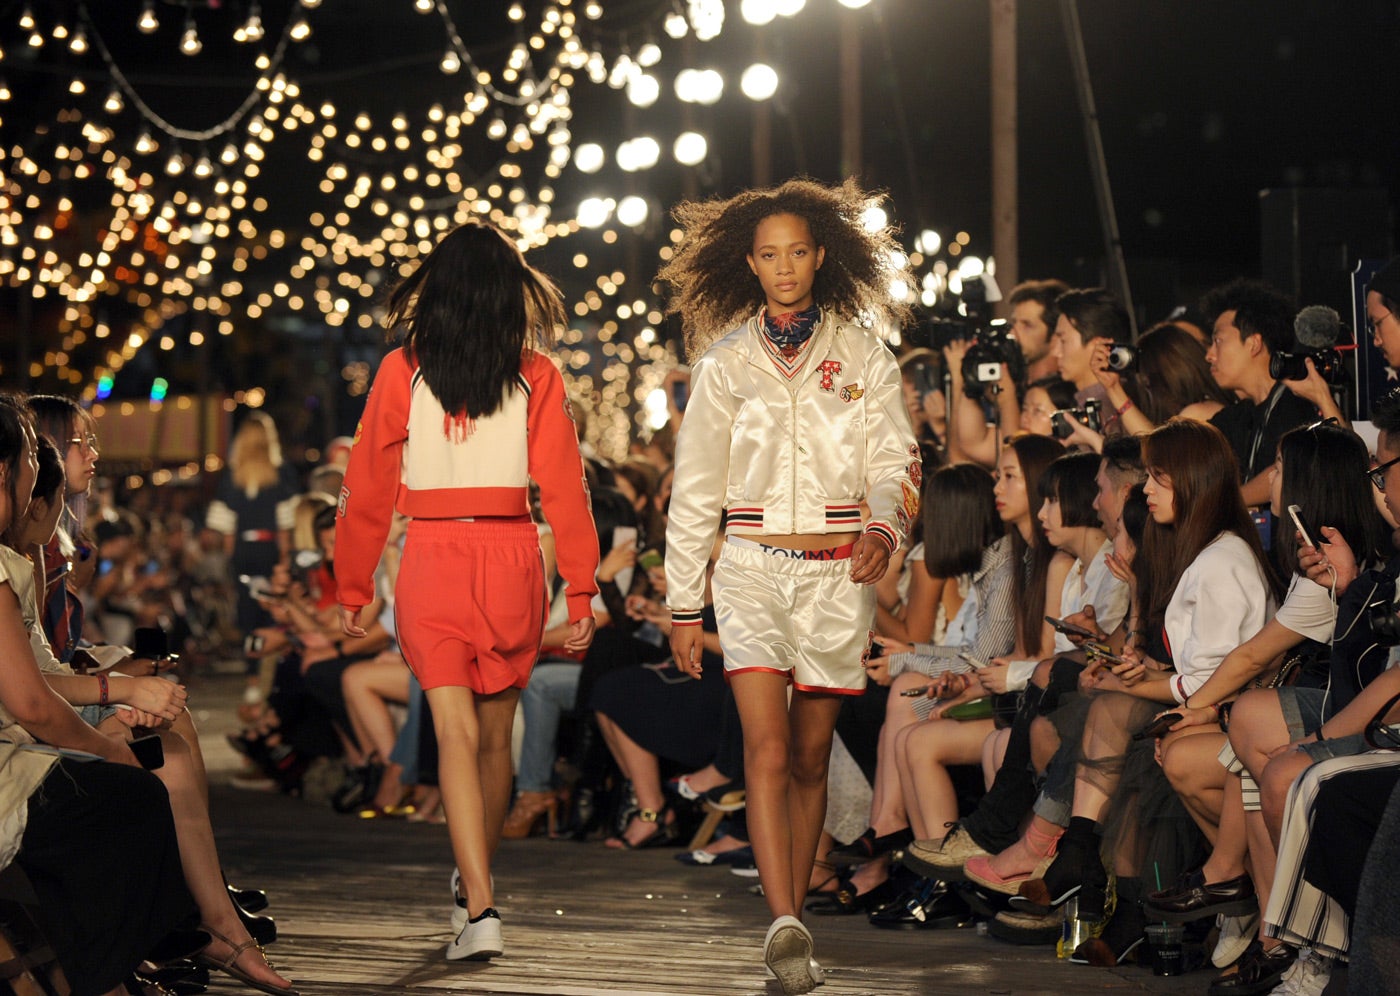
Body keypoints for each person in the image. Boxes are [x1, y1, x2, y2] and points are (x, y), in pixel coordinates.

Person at [659, 178, 918, 995]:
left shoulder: (866, 355)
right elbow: (695, 487)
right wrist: (681, 602)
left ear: (821, 256)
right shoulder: (725, 363)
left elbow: (896, 462)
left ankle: (794, 910)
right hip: (749, 570)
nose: (784, 267)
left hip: (841, 572)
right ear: (748, 262)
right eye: (768, 254)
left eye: (797, 252)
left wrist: (885, 528)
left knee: (810, 757)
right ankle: (783, 921)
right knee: (767, 750)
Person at [335, 220, 599, 962]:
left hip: (434, 557)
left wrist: (352, 584)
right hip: (514, 554)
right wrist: (579, 591)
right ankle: (475, 884)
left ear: (438, 291)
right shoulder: (535, 374)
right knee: (492, 736)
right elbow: (566, 488)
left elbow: (367, 486)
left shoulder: (401, 370)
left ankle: (480, 903)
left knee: (455, 729)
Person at [1201, 280, 1338, 508]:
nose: (1209, 355)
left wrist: (1228, 505)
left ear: (1254, 343)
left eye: (1218, 341)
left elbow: (1297, 465)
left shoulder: (1298, 401)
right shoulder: (1235, 418)